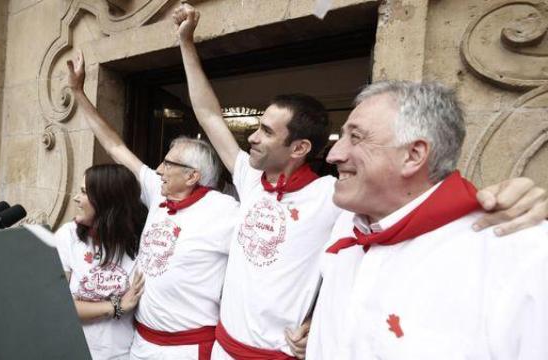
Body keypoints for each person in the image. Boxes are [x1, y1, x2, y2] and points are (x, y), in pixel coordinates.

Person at [173, 4, 548, 358]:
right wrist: (186, 44)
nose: (335, 157)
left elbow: (426, 208)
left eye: (357, 137)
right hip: (224, 347)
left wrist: (494, 200)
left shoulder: (332, 201)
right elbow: (208, 115)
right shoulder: (273, 192)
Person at [306, 80, 548, 359]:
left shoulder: (521, 254)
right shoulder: (347, 224)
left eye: (356, 137)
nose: (334, 154)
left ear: (413, 155)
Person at [66, 52, 240, 360]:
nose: (158, 168)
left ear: (192, 176)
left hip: (186, 349)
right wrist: (79, 93)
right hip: (140, 342)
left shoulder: (225, 211)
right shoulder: (158, 194)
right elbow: (115, 146)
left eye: (168, 163)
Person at [55, 164, 147, 360]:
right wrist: (115, 306)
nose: (76, 198)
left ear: (106, 200)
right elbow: (57, 304)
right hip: (71, 351)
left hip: (122, 355)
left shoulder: (140, 243)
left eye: (84, 192)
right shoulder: (68, 236)